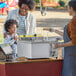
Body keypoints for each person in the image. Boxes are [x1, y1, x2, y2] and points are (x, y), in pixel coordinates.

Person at [44, 1, 76, 76]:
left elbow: (74, 41)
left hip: (72, 57)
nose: (67, 9)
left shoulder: (74, 21)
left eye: (68, 8)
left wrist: (59, 45)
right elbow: (68, 36)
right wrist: (54, 30)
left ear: (71, 8)